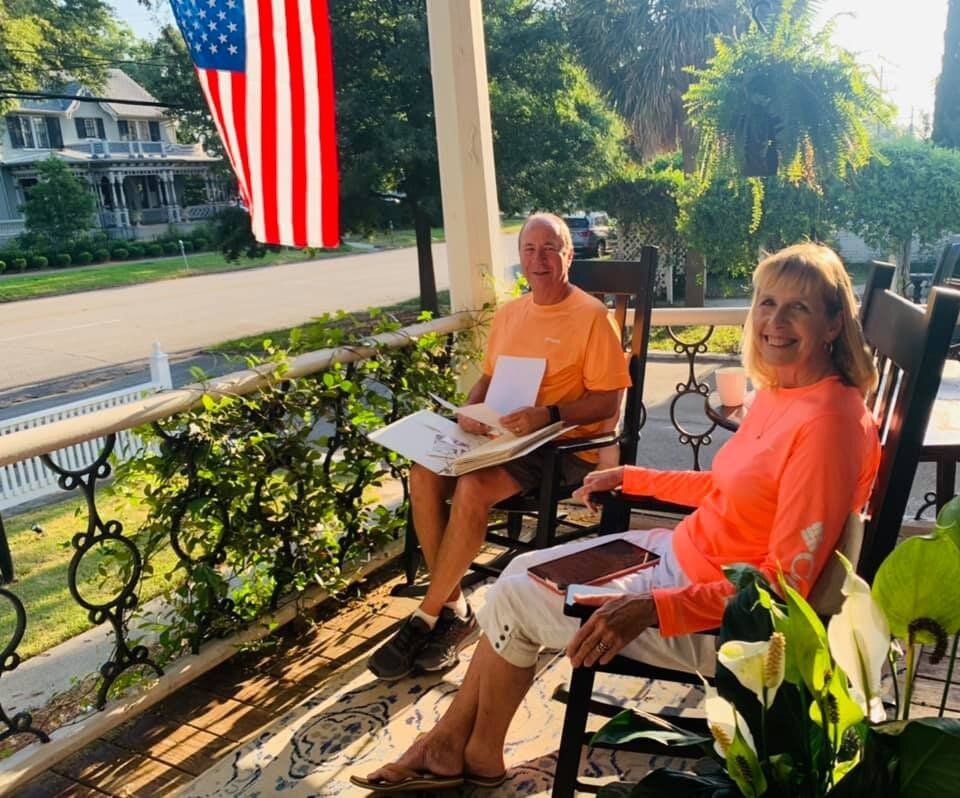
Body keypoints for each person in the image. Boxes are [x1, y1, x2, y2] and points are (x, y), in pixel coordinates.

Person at [352, 242, 882, 792]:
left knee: (513, 594)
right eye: (767, 302)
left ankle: (454, 747)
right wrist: (632, 478)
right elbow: (730, 489)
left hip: (721, 622)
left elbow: (782, 590)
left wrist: (651, 607)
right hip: (681, 561)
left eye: (799, 308)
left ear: (833, 325)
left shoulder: (828, 427)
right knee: (517, 575)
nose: (775, 321)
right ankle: (469, 749)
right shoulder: (784, 391)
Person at [367, 213, 632, 680]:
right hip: (503, 438)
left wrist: (547, 415)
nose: (539, 259)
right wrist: (468, 413)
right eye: (530, 250)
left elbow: (608, 402)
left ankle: (426, 617)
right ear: (521, 260)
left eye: (550, 248)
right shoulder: (512, 312)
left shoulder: (592, 317)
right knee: (423, 473)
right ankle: (455, 607)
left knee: (472, 489)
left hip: (560, 446)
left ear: (569, 255)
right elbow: (489, 379)